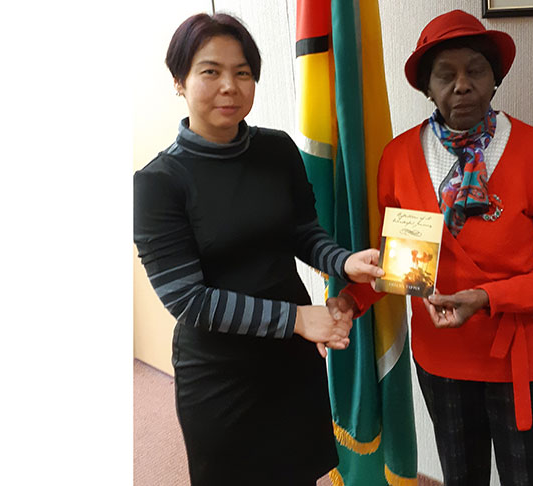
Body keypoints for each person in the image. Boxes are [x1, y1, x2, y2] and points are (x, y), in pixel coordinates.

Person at [327, 9, 533, 486]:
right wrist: (350, 301)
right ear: (427, 88)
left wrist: (488, 298)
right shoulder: (400, 157)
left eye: (476, 70)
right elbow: (403, 263)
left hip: (522, 362)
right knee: (460, 477)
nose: (462, 85)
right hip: (443, 361)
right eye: (445, 75)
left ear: (495, 81)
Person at [133, 13, 383, 485]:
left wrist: (343, 261)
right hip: (220, 374)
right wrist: (297, 319)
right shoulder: (157, 183)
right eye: (210, 71)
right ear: (179, 82)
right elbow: (189, 301)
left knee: (297, 473)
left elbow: (302, 231)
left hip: (291, 360)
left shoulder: (277, 149)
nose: (229, 85)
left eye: (243, 71)